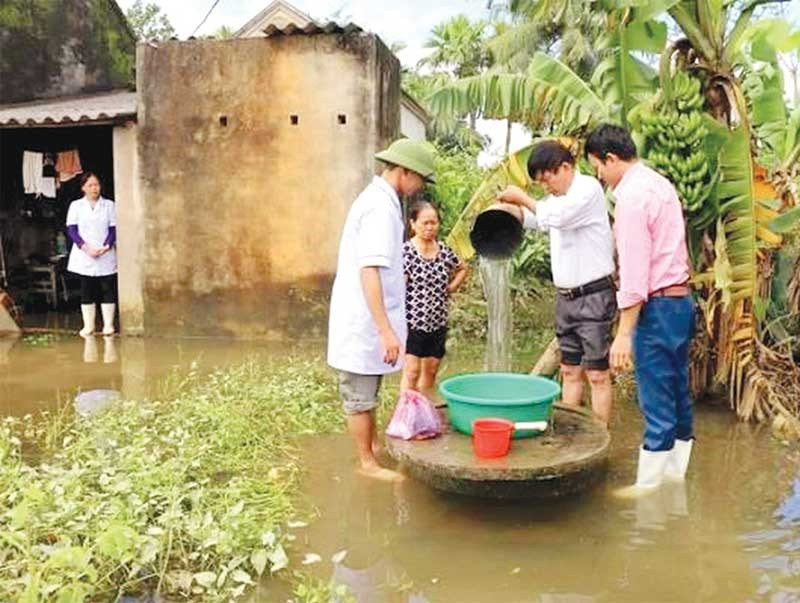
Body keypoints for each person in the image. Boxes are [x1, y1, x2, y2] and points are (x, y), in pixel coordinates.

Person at [584, 124, 694, 493]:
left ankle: (647, 491)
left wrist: (623, 334)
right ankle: (674, 478)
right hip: (681, 302)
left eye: (598, 167)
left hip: (658, 307)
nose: (600, 176)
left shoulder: (631, 198)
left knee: (656, 396)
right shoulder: (661, 184)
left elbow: (635, 273)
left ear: (611, 158)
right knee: (678, 390)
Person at [327, 138, 436, 481]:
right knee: (359, 394)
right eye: (419, 179)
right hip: (364, 321)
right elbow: (369, 270)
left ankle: (372, 448)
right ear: (404, 172)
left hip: (371, 317)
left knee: (369, 388)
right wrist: (385, 330)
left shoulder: (384, 203)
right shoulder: (378, 208)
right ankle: (366, 463)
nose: (419, 187)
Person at [497, 141, 616, 425]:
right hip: (566, 298)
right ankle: (571, 431)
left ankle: (601, 434)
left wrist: (523, 197)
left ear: (564, 167)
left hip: (594, 296)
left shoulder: (587, 189)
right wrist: (510, 209)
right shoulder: (556, 200)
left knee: (597, 373)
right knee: (569, 370)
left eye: (547, 179)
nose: (546, 187)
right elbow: (539, 219)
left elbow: (557, 217)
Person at [400, 200, 467, 393]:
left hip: (438, 321)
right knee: (412, 371)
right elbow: (399, 287)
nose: (430, 227)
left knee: (430, 371)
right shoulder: (407, 252)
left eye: (434, 222)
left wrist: (451, 287)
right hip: (413, 322)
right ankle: (406, 414)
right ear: (413, 224)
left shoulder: (444, 251)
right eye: (425, 223)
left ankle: (423, 410)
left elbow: (462, 268)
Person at [65, 172, 118, 337]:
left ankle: (108, 325)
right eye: (90, 185)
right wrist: (85, 247)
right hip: (84, 254)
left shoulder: (109, 205)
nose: (94, 188)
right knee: (87, 288)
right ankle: (88, 326)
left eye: (96, 185)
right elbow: (72, 229)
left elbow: (113, 228)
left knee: (107, 287)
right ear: (83, 188)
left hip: (105, 253)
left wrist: (106, 246)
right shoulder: (76, 206)